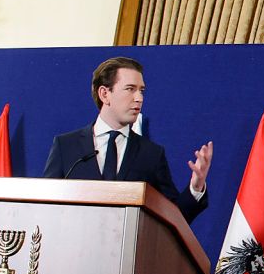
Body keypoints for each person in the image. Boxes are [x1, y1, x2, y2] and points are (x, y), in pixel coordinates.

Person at [42, 56, 212, 223]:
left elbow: (175, 217)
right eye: (130, 89)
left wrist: (195, 188)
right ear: (104, 94)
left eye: (141, 91)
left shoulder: (151, 154)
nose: (139, 98)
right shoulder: (66, 147)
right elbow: (44, 207)